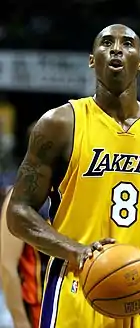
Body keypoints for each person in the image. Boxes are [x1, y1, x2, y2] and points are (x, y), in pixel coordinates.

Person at [6, 24, 140, 328]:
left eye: (128, 44)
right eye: (106, 43)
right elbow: (17, 213)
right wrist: (77, 251)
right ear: (93, 59)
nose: (117, 48)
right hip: (78, 288)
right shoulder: (60, 124)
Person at [0, 123, 50, 328]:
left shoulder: (74, 195)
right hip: (38, 315)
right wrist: (20, 321)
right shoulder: (20, 196)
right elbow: (6, 266)